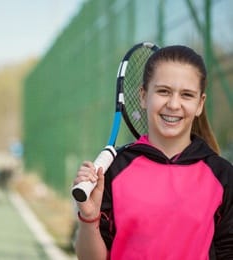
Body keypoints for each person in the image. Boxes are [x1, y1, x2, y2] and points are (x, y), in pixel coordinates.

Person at [73, 45, 233, 259]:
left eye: (186, 95)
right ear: (143, 95)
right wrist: (89, 218)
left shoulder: (222, 175)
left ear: (199, 104)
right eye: (163, 91)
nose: (174, 104)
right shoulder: (115, 169)